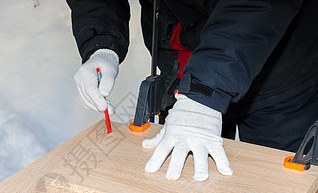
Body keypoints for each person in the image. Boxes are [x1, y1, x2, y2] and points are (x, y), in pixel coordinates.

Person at [67, 0, 318, 181]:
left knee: (280, 191)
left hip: (280, 66)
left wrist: (206, 90)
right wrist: (101, 44)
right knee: (184, 187)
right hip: (181, 60)